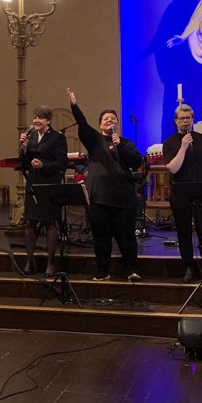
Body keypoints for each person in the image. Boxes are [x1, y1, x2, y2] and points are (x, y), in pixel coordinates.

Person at [67, 88, 143, 281]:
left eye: (113, 118)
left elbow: (136, 162)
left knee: (126, 236)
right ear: (100, 124)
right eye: (106, 118)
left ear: (118, 123)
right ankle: (102, 271)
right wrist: (74, 105)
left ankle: (131, 270)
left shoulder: (125, 142)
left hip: (123, 197)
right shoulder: (95, 141)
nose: (110, 120)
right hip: (99, 197)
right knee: (101, 237)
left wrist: (120, 145)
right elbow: (82, 124)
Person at [162, 104, 202, 284]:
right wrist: (183, 147)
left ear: (193, 120)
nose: (185, 121)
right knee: (184, 232)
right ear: (176, 121)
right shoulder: (170, 142)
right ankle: (189, 267)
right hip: (181, 192)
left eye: (188, 118)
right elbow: (173, 168)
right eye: (182, 118)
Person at [17, 106, 68, 276]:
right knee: (30, 222)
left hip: (50, 184)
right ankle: (29, 260)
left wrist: (43, 165)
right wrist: (24, 149)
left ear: (48, 120)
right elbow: (24, 164)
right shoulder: (30, 136)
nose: (36, 120)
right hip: (33, 184)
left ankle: (51, 262)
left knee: (50, 223)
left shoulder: (57, 137)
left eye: (40, 118)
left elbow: (62, 163)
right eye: (35, 117)